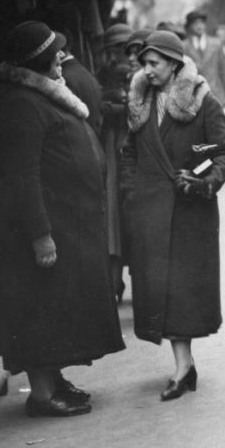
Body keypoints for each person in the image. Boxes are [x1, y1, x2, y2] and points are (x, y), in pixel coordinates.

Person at [0, 21, 124, 417]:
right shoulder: (22, 104)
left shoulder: (40, 96)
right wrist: (41, 235)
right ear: (40, 62)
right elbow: (22, 176)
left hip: (67, 225)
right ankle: (42, 394)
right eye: (55, 55)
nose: (62, 60)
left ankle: (55, 380)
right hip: (42, 231)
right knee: (42, 311)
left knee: (58, 309)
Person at [120, 30, 225, 401]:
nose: (147, 70)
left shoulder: (203, 102)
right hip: (150, 212)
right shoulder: (139, 102)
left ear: (174, 64)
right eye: (144, 64)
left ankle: (183, 367)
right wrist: (131, 190)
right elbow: (130, 153)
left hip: (189, 212)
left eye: (154, 63)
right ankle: (184, 365)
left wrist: (202, 180)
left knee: (182, 293)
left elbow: (221, 153)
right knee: (161, 291)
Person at [96, 22, 134, 301]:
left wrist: (114, 108)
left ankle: (123, 278)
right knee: (115, 215)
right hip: (112, 145)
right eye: (115, 49)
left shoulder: (137, 75)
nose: (119, 54)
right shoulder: (106, 73)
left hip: (126, 144)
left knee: (124, 214)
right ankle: (115, 278)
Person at [183, 10, 225, 111]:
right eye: (195, 23)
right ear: (190, 26)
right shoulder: (184, 46)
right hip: (194, 96)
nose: (199, 26)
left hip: (216, 94)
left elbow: (224, 70)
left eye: (201, 23)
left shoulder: (216, 44)